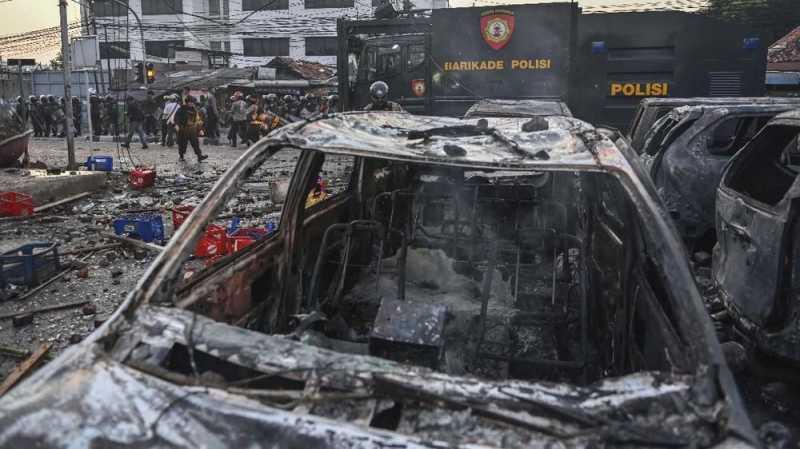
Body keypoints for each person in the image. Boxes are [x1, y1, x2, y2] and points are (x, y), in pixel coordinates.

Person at [174, 95, 208, 162]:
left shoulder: (194, 110)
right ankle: (181, 156)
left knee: (195, 143)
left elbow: (197, 120)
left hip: (192, 129)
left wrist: (200, 129)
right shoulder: (181, 109)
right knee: (182, 144)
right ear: (187, 102)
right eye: (191, 102)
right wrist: (177, 125)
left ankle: (199, 156)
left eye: (193, 102)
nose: (192, 103)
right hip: (183, 129)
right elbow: (176, 117)